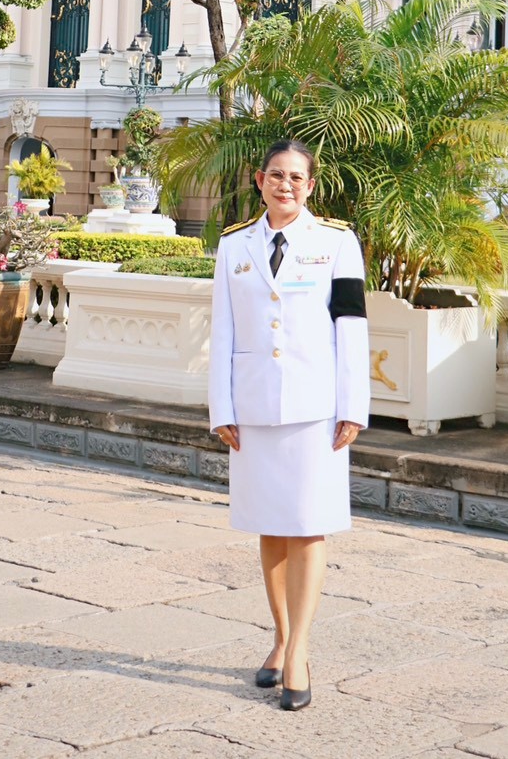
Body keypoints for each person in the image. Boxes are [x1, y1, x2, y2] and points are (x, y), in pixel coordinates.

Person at [208, 138, 369, 712]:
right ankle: (279, 638)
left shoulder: (337, 243)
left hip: (314, 409)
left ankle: (298, 650)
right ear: (259, 180)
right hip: (252, 409)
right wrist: (220, 409)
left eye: (296, 178)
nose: (285, 186)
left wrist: (355, 404)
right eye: (276, 175)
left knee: (307, 526)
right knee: (270, 528)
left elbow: (350, 326)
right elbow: (223, 329)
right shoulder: (235, 247)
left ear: (311, 184)